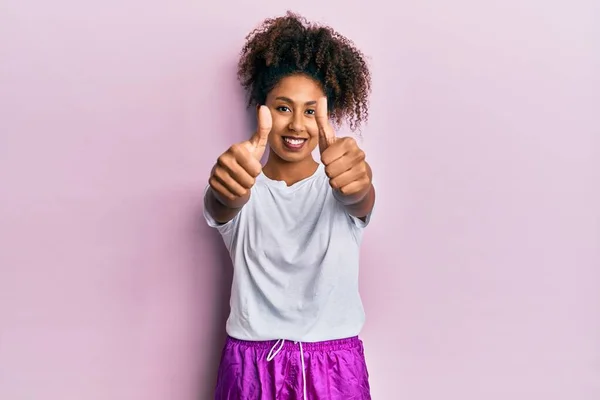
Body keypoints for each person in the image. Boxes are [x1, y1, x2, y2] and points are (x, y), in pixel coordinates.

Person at [203, 11, 375, 399]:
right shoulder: (241, 180)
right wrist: (225, 192)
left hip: (334, 364)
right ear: (262, 109)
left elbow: (359, 199)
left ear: (326, 116)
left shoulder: (344, 181)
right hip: (251, 366)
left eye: (311, 111)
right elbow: (221, 205)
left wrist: (357, 187)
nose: (297, 124)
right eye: (283, 108)